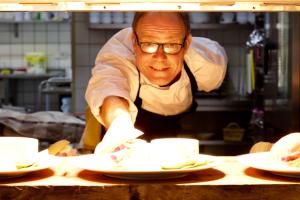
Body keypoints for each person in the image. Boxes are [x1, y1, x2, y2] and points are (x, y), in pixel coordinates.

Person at [82, 12, 227, 153]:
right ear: (134, 42)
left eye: (171, 45)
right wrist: (120, 126)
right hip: (120, 149)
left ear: (187, 44)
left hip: (171, 146)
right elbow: (109, 87)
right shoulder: (119, 52)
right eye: (149, 44)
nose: (160, 58)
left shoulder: (208, 66)